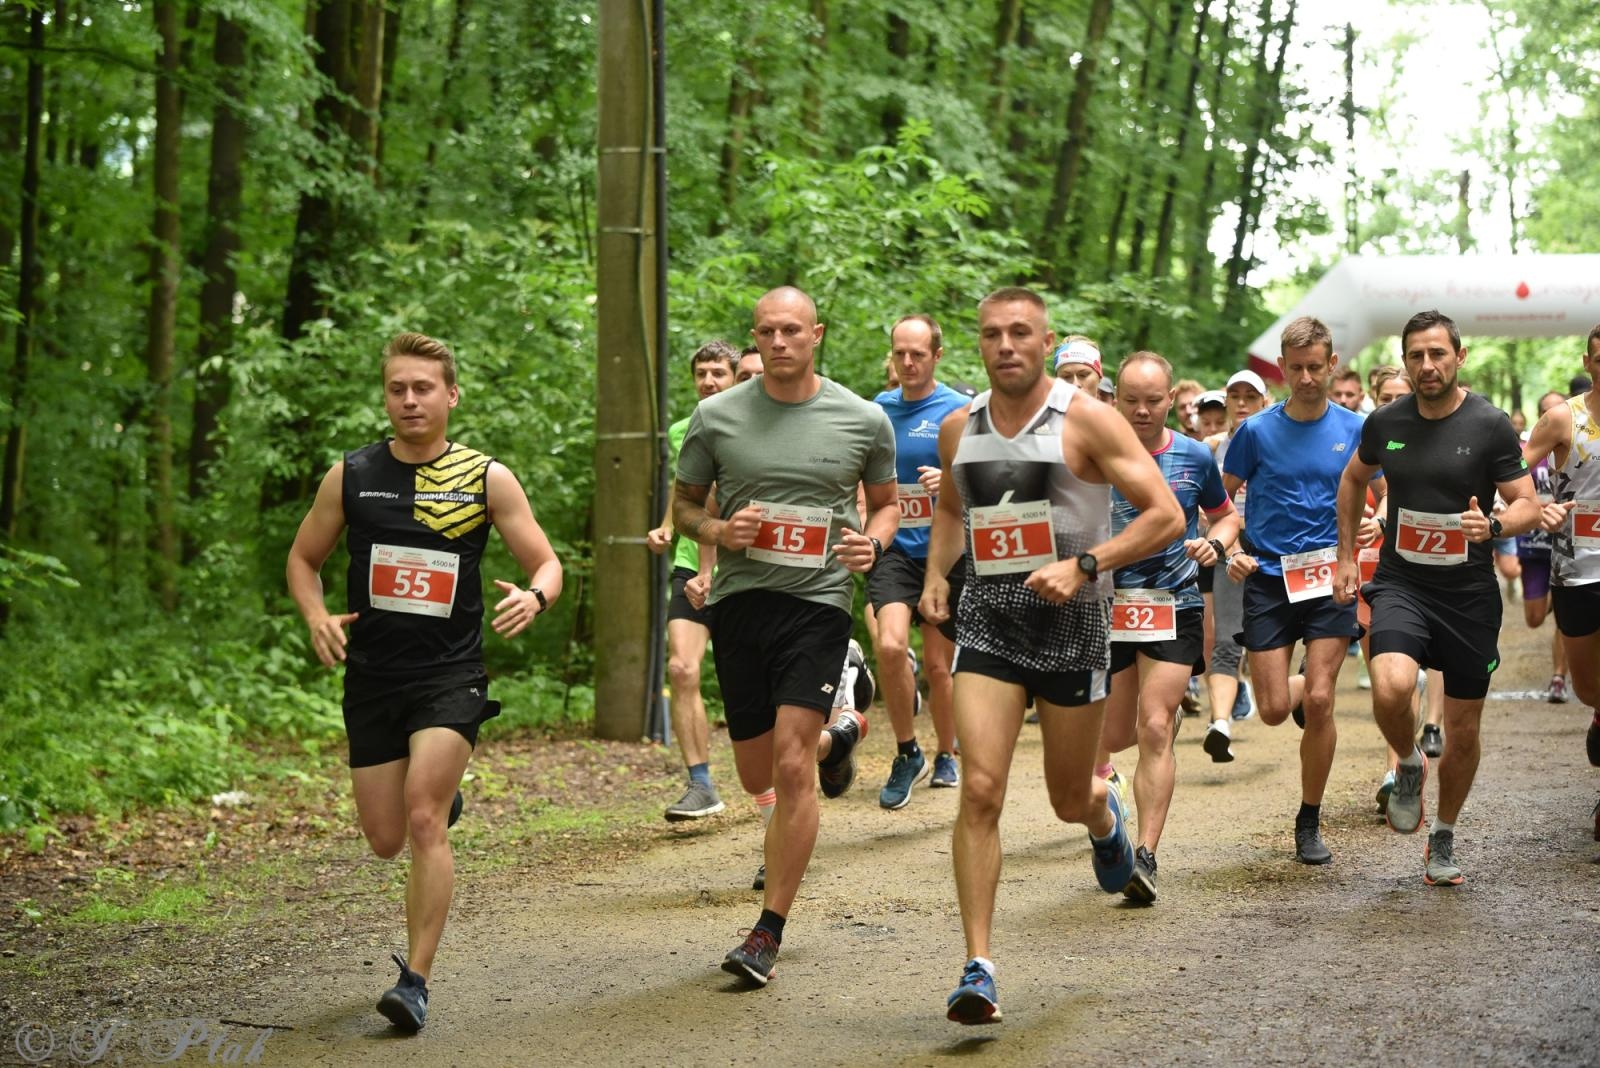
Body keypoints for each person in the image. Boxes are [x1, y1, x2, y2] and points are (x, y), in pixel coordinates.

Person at [286, 332, 564, 1032]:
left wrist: (535, 596)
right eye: (397, 389)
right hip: (374, 677)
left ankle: (415, 980)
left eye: (422, 388)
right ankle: (442, 802)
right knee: (385, 839)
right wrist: (316, 613)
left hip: (451, 675)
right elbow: (302, 557)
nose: (409, 400)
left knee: (420, 817)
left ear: (451, 395)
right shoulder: (349, 475)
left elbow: (547, 562)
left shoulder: (485, 477)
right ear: (386, 396)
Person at [919, 287, 1182, 1025]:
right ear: (978, 344)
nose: (1006, 345)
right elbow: (950, 511)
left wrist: (1087, 566)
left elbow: (1165, 514)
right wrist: (940, 575)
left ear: (1046, 340)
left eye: (1021, 333)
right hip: (990, 627)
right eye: (993, 334)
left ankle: (1104, 818)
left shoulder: (1088, 419)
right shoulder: (956, 429)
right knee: (980, 790)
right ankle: (979, 967)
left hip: (1073, 633)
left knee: (1070, 797)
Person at [673, 286, 898, 986]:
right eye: (766, 331)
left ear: (816, 335)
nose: (778, 342)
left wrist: (873, 545)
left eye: (791, 330)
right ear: (755, 336)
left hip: (818, 604)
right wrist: (714, 530)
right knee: (758, 772)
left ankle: (767, 930)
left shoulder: (862, 419)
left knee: (792, 765)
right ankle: (846, 734)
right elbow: (681, 507)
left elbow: (886, 507)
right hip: (741, 603)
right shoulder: (715, 417)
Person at [1335, 309, 1539, 886]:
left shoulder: (1490, 425)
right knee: (1391, 682)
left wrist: (1495, 528)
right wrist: (1349, 556)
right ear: (1405, 362)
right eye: (1417, 356)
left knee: (1465, 730)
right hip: (1402, 582)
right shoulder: (1385, 421)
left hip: (1469, 594)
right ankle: (1405, 762)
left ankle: (1444, 833)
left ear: (1459, 356)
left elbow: (1523, 501)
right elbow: (1353, 480)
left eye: (1438, 354)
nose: (1427, 365)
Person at [1222, 317, 1380, 865]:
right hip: (1268, 579)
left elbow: (1387, 493)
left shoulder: (1358, 428)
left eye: (1317, 366)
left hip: (1332, 578)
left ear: (1332, 364)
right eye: (1297, 369)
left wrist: (1376, 526)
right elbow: (1219, 504)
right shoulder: (1256, 432)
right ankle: (1301, 687)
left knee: (1320, 698)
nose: (1308, 378)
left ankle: (1309, 818)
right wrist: (1230, 548)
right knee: (1269, 709)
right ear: (1282, 370)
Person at [1097, 352, 1238, 903]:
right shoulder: (1092, 453)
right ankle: (1107, 821)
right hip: (1106, 606)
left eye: (1153, 401)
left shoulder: (1193, 455)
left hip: (1173, 602)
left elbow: (1226, 513)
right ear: (1116, 399)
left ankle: (1146, 857)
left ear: (1169, 397)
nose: (1141, 410)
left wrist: (1217, 542)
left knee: (1155, 724)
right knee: (1111, 738)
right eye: (1130, 400)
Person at [870, 315, 971, 808]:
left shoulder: (960, 410)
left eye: (918, 354)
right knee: (890, 648)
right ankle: (908, 751)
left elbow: (988, 486)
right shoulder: (877, 410)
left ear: (937, 355)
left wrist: (950, 483)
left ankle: (947, 752)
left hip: (945, 552)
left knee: (938, 665)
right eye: (900, 353)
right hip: (893, 550)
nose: (907, 363)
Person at [648, 341, 739, 821]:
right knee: (682, 669)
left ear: (735, 377)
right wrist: (666, 524)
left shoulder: (753, 426)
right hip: (691, 566)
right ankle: (700, 782)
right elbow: (688, 490)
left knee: (751, 682)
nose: (708, 381)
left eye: (718, 374)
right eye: (701, 373)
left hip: (745, 568)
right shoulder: (686, 430)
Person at [1520, 323, 1600, 842]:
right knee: (1591, 687)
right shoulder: (1562, 418)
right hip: (1578, 568)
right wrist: (1537, 505)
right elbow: (1512, 469)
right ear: (1589, 362)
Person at [1200, 371, 1269, 760]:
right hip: (1229, 550)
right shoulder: (1211, 450)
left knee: (1269, 645)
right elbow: (1203, 504)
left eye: (1250, 396)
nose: (1242, 403)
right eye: (1235, 396)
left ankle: (1298, 693)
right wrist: (1230, 540)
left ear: (1264, 401)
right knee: (1225, 640)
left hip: (1274, 554)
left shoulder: (1277, 440)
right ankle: (1220, 723)